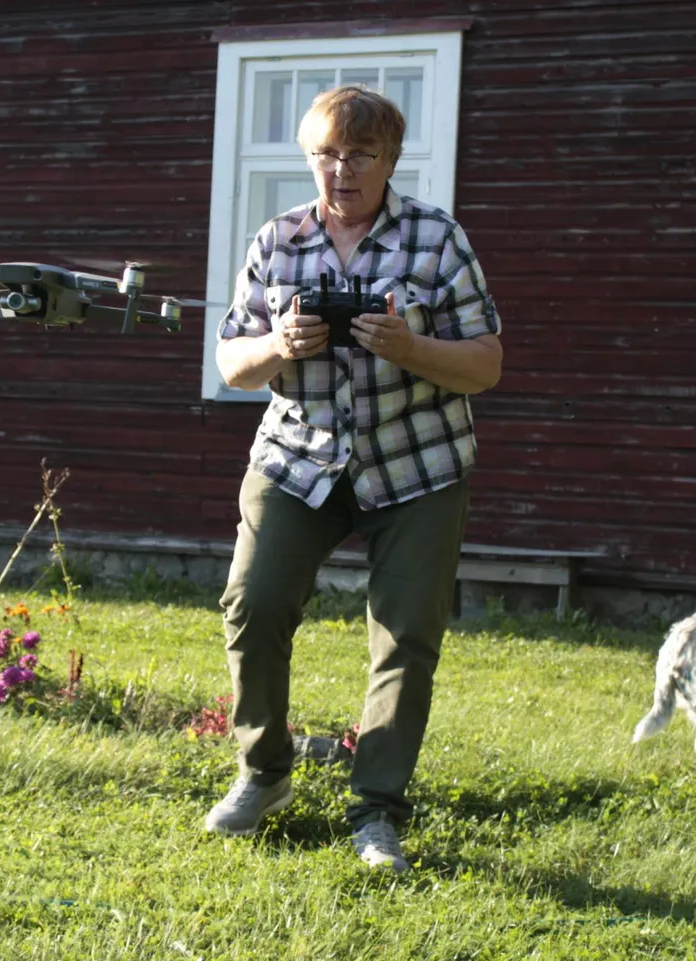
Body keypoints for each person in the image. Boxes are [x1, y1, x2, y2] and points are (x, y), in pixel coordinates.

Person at [206, 85, 503, 873]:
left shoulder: (438, 241)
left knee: (406, 633)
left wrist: (410, 349)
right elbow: (231, 361)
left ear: (390, 160)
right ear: (312, 158)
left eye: (361, 154)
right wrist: (280, 345)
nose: (343, 169)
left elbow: (487, 362)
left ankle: (376, 811)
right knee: (253, 602)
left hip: (418, 460)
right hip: (297, 455)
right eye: (329, 153)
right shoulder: (277, 240)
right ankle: (264, 773)